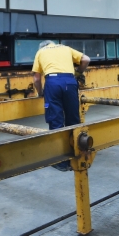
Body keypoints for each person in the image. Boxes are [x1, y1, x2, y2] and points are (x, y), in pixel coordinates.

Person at [32, 40, 90, 171]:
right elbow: (86, 59)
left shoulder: (40, 52)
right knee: (73, 120)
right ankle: (77, 156)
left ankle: (61, 163)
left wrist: (41, 92)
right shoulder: (66, 48)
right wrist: (78, 73)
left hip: (52, 82)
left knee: (55, 120)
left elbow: (36, 79)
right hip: (70, 82)